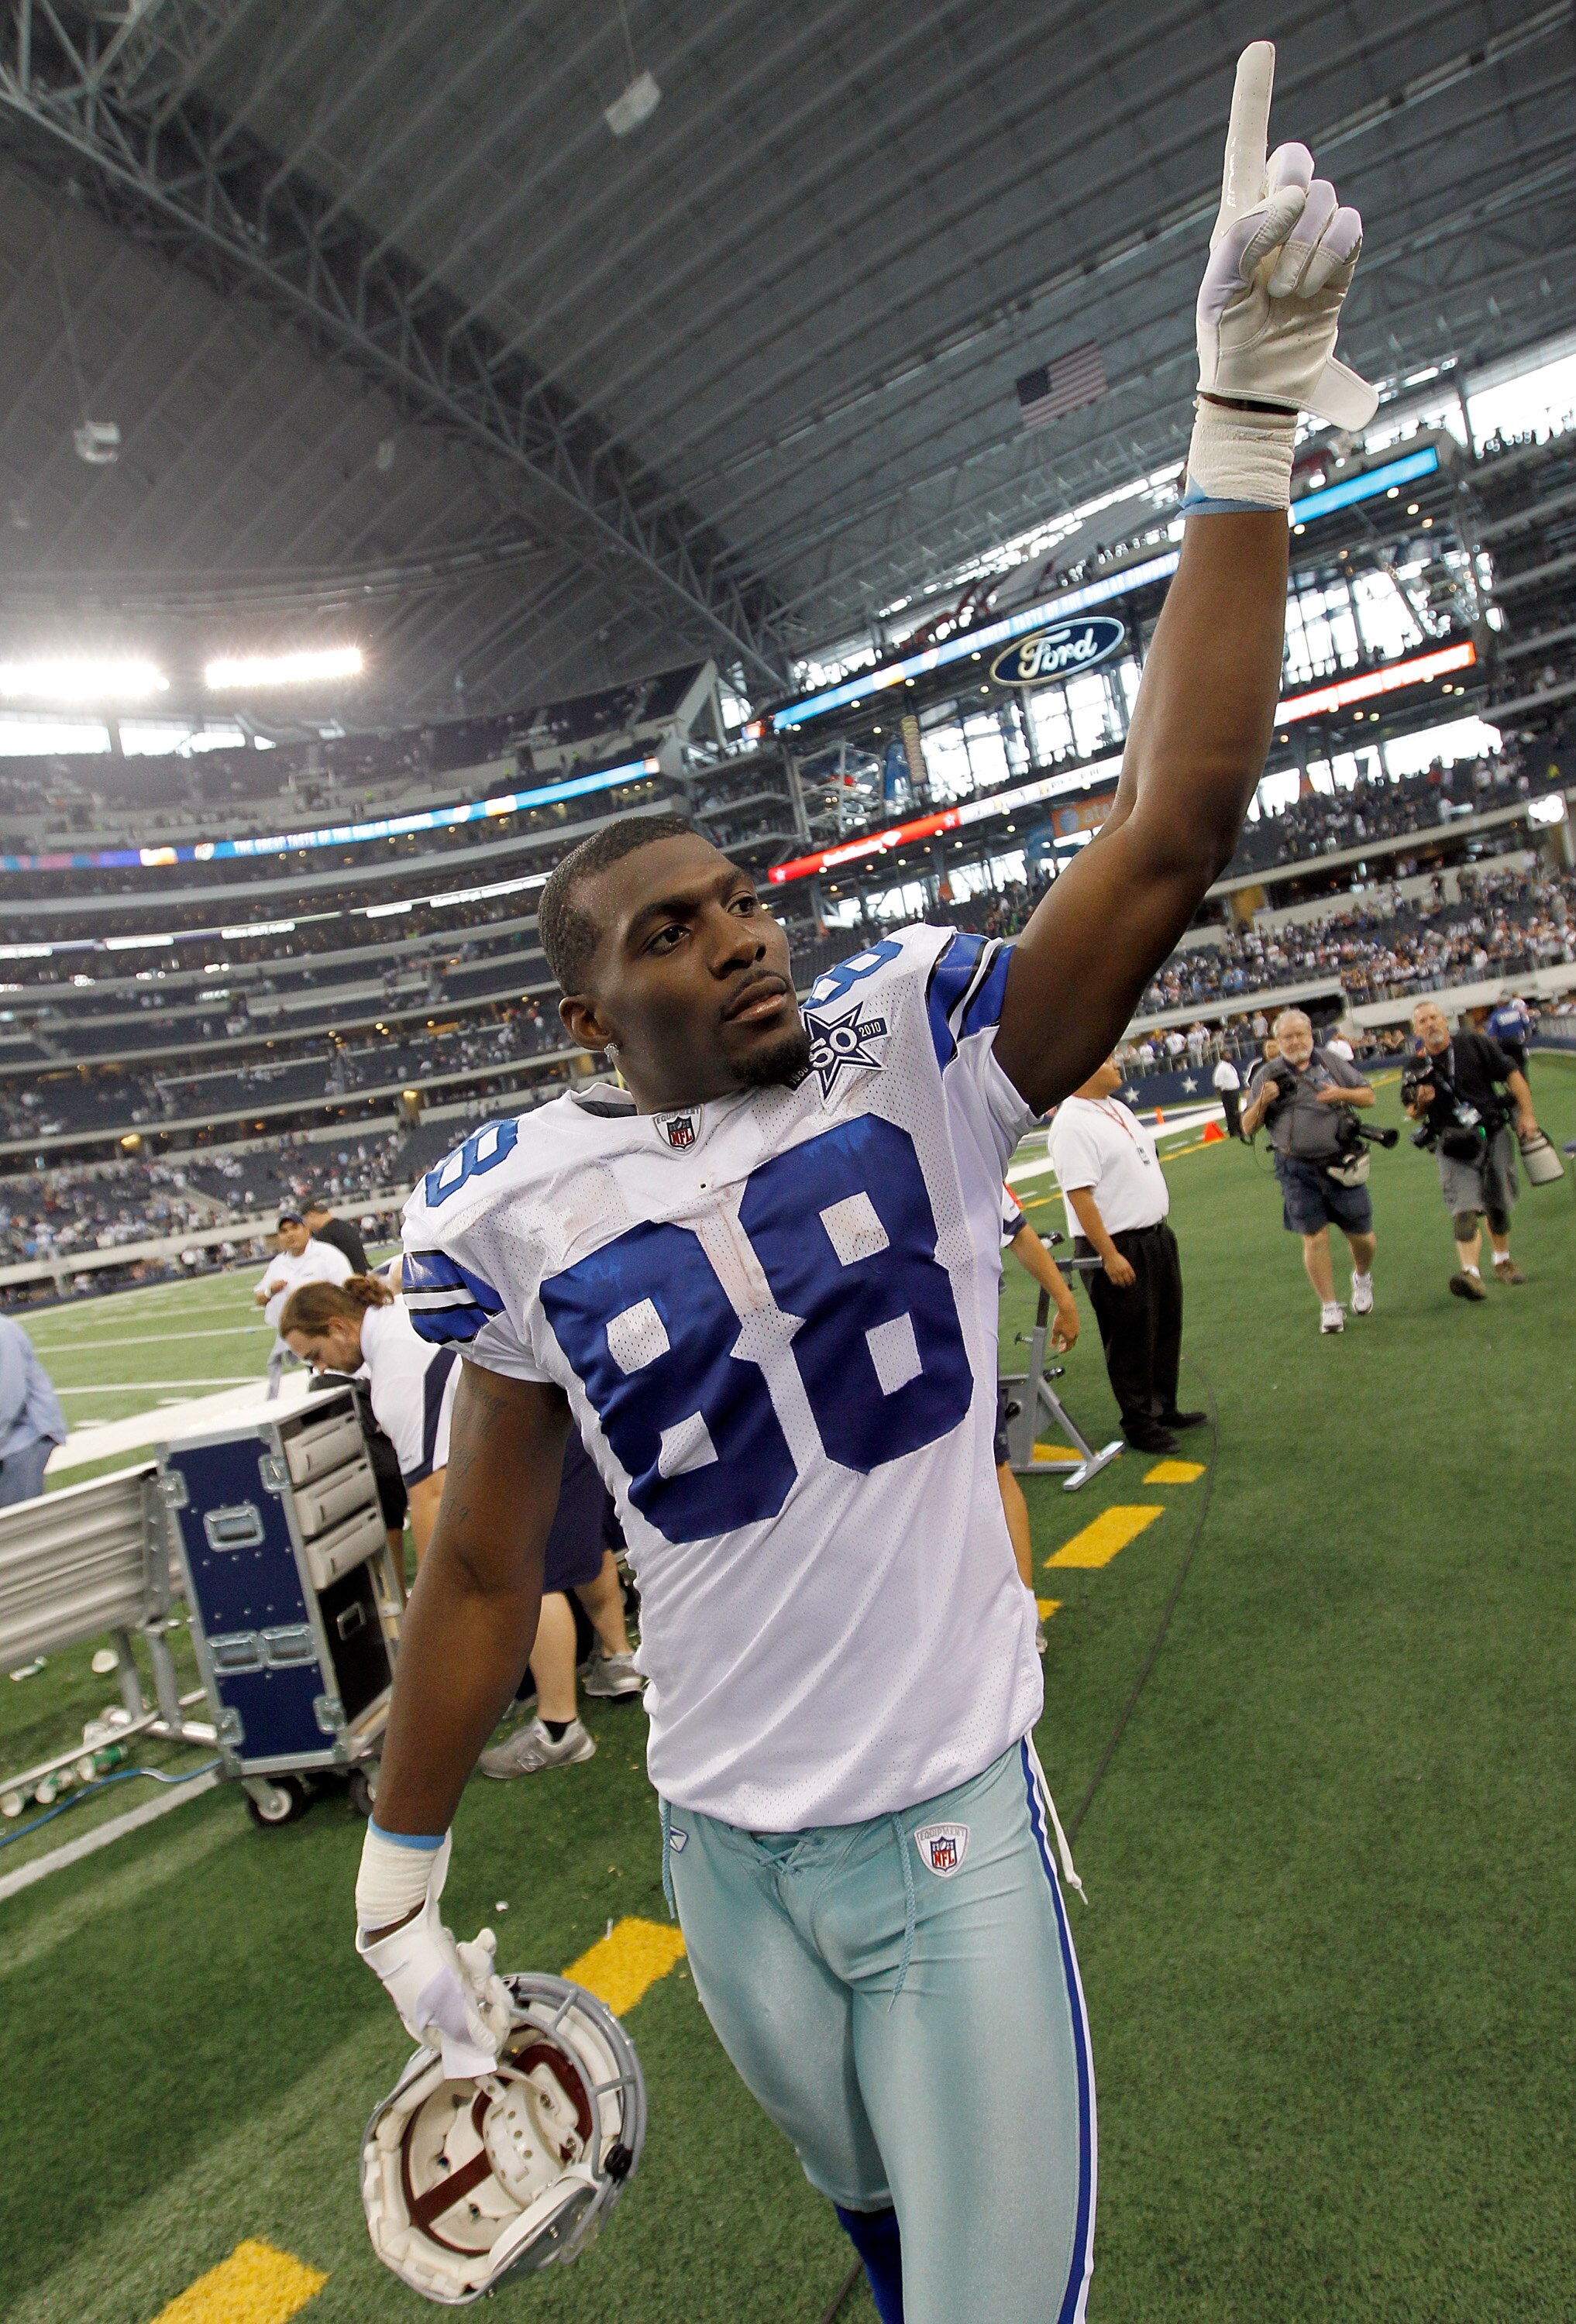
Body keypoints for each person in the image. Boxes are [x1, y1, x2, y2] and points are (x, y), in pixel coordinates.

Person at [351, 53, 1370, 2322]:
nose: (740, 935)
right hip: (720, 1859)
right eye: (673, 931)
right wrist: (399, 1871)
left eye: (743, 898)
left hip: (943, 1830)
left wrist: (1245, 418)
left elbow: (1173, 825)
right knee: (897, 2258)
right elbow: (485, 1548)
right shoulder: (514, 1199)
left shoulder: (919, 1054)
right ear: (581, 1020)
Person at [281, 1278, 642, 1773]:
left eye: (315, 1352)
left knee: (528, 1574)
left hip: (541, 1413)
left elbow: (431, 1494)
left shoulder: (395, 1378)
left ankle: (561, 1728)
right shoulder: (393, 1304)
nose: (318, 1367)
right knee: (584, 1543)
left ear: (340, 1327)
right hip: (563, 1396)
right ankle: (618, 1659)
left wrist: (440, 1602)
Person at [1048, 1058, 1204, 1455]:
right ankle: (1139, 1423)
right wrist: (1109, 1254)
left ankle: (1162, 1407)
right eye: (1108, 1058)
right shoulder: (1071, 1123)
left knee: (1165, 1327)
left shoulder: (1116, 1107)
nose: (1118, 1064)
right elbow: (1080, 1195)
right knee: (1131, 1337)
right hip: (1117, 1245)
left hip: (1153, 1236)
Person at [1240, 1008, 1378, 1334]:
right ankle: (1329, 1307)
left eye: (1300, 1034)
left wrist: (1340, 1093)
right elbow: (1246, 1127)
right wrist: (1262, 1101)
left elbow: (1368, 1096)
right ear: (1277, 1041)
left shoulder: (1330, 1062)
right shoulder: (1266, 1074)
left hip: (1340, 1163)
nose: (1295, 1041)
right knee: (1314, 1237)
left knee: (1363, 1236)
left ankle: (1361, 1277)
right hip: (1295, 1167)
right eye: (1287, 1036)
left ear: (1310, 1034)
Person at [1403, 999, 1540, 1301]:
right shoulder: (1416, 1065)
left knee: (1498, 1204)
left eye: (1433, 1017)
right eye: (1423, 1021)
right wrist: (1423, 1102)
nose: (1430, 1024)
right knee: (1463, 1210)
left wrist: (1527, 1114)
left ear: (1444, 1019)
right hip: (1453, 1145)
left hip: (1493, 1133)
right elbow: (1412, 1110)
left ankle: (1502, 1260)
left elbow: (1512, 1075)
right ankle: (1471, 1275)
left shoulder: (1473, 1043)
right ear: (1416, 1030)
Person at [996, 1187, 1079, 1653]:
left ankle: (1024, 1610)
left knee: (995, 1470)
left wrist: (1065, 1302)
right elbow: (1018, 1231)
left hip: (958, 1336)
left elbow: (1017, 1230)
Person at [254, 1209, 352, 1397]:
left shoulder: (326, 1255)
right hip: (306, 1345)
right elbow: (259, 1298)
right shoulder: (278, 1264)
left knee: (346, 1387)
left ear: (306, 1229)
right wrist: (270, 1291)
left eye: (294, 1228)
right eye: (284, 1231)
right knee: (323, 1392)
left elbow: (346, 1291)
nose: (290, 1234)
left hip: (334, 1336)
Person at [0, 1313, 66, 1508]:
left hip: (25, 1436)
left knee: (16, 1524)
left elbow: (8, 1395)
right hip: (9, 1436)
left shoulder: (2, 1332)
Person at [301, 1194, 370, 1276]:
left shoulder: (324, 1235)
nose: (305, 1224)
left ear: (311, 1215)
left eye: (305, 1219)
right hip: (361, 1277)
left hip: (346, 1282)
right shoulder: (346, 1226)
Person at [1483, 992, 1533, 1077]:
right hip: (1517, 1042)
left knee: (1508, 1069)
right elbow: (1527, 1026)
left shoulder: (1496, 1016)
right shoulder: (1517, 1013)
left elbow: (1492, 1036)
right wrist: (1526, 1040)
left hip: (1504, 1045)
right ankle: (1524, 1086)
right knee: (1521, 1067)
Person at [1212, 1049, 1243, 1139]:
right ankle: (1233, 1131)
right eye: (1227, 1054)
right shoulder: (1221, 1067)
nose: (1229, 1055)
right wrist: (1221, 1094)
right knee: (1231, 1112)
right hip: (1228, 1093)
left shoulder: (1229, 1066)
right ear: (1222, 1056)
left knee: (1236, 1111)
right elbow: (1217, 1081)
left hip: (1234, 1091)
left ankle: (1237, 1128)